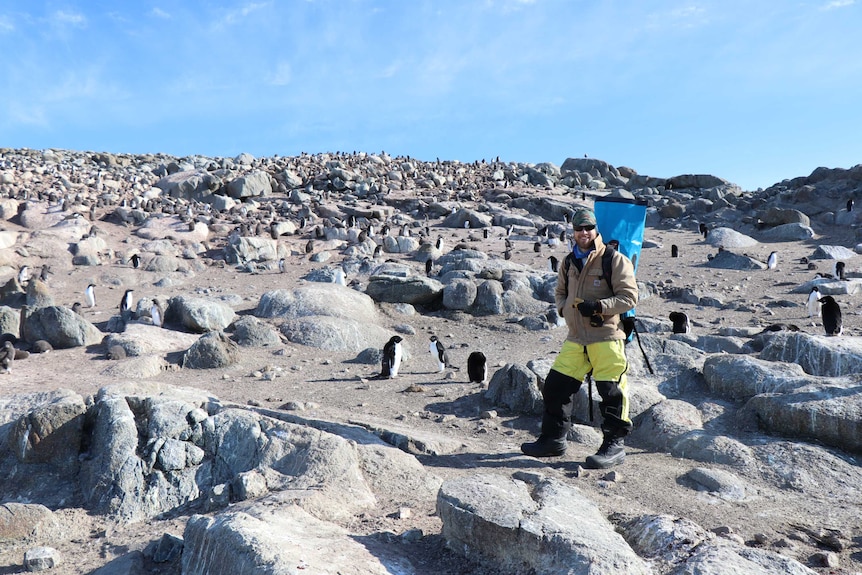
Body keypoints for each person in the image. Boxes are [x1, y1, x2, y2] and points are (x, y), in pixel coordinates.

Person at [521, 207, 638, 468]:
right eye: (578, 228)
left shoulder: (614, 260)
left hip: (606, 336)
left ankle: (614, 446)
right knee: (555, 386)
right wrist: (564, 309)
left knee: (612, 391)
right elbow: (560, 292)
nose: (583, 233)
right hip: (576, 338)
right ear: (572, 231)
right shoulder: (568, 262)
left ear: (596, 229)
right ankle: (553, 440)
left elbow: (629, 297)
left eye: (588, 228)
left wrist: (598, 307)